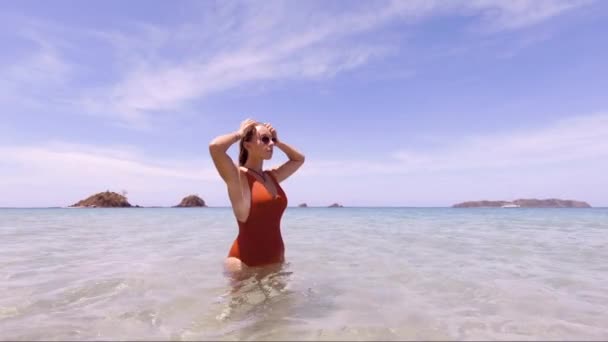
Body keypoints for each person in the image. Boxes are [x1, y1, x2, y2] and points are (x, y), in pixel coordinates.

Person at [209, 119, 305, 278]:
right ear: (247, 145)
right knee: (240, 304)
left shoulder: (272, 176)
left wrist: (278, 141)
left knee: (281, 303)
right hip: (243, 264)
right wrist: (239, 134)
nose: (271, 144)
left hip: (276, 260)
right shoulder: (238, 177)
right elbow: (215, 147)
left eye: (272, 139)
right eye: (265, 139)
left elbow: (299, 159)